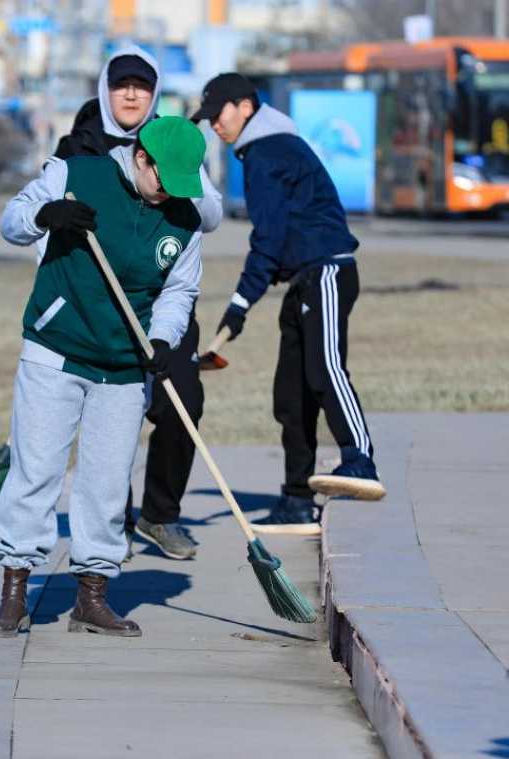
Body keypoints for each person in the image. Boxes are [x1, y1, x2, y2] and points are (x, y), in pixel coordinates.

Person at [0, 116, 206, 639]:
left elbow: (178, 291)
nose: (168, 192)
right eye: (163, 178)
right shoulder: (75, 174)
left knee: (107, 484)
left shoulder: (184, 220)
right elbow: (12, 222)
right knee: (36, 471)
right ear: (142, 157)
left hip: (125, 365)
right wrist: (47, 214)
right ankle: (15, 590)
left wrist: (163, 340)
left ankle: (93, 595)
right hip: (55, 349)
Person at [52, 45, 223, 561]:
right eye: (121, 84)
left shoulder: (173, 141)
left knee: (182, 401)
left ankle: (160, 515)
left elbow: (210, 216)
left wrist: (172, 178)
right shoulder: (78, 146)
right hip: (98, 303)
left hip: (163, 296)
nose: (131, 94)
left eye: (142, 86)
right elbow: (42, 223)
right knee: (111, 413)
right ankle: (113, 523)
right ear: (105, 90)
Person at [192, 73, 384, 524]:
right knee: (291, 395)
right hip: (303, 277)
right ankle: (297, 498)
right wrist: (250, 296)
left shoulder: (268, 152)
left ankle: (361, 456)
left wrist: (240, 305)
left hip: (327, 273)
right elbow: (282, 239)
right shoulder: (265, 149)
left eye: (218, 115)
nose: (214, 126)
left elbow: (269, 239)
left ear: (244, 106)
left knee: (324, 369)